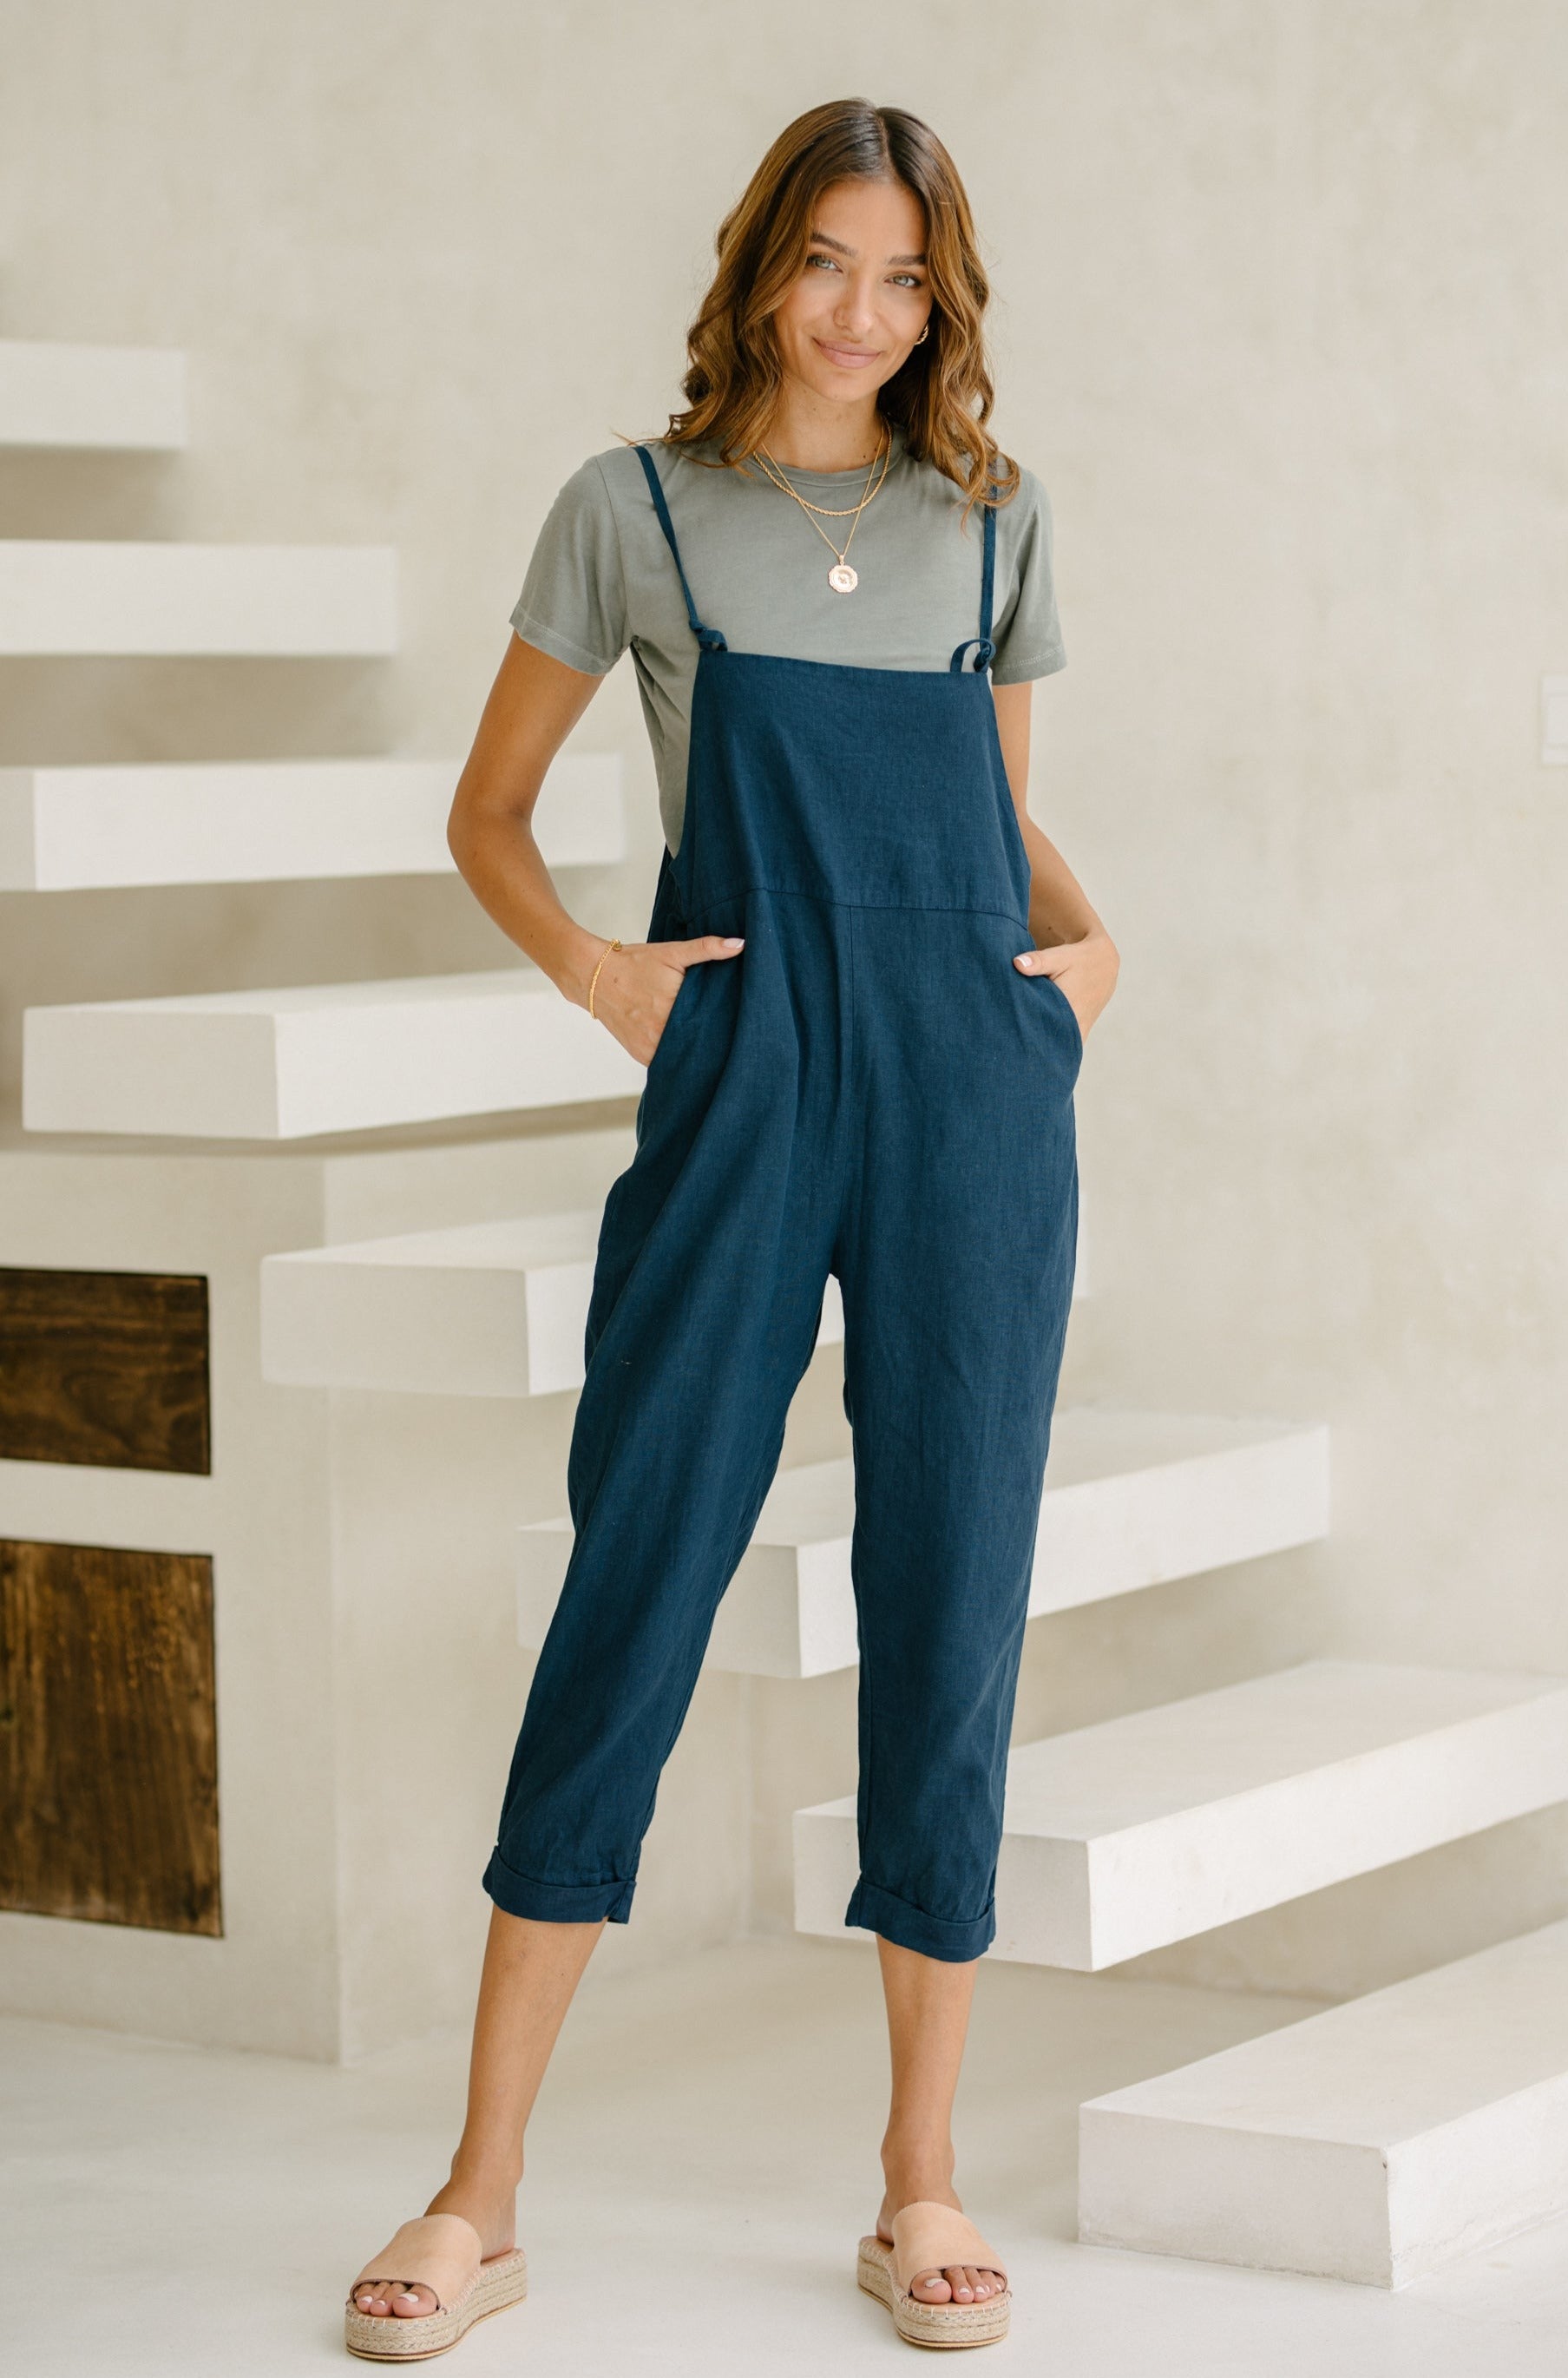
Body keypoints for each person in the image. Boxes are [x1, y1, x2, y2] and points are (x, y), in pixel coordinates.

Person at [344, 95, 1118, 2361]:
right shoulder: (638, 511)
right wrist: (602, 974)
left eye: (905, 277)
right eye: (828, 266)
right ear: (759, 267)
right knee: (639, 1571)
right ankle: (480, 2190)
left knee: (950, 1586)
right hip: (749, 1082)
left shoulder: (999, 521)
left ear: (939, 296)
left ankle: (920, 2177)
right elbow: (486, 808)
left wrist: (1087, 962)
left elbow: (1005, 818)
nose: (863, 314)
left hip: (973, 1099)